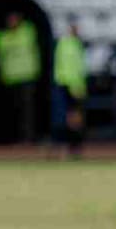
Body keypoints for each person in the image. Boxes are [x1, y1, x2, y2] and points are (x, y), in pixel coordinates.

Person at [0, 10, 41, 143]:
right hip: (10, 79)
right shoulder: (1, 36)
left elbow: (23, 41)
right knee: (13, 111)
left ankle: (28, 138)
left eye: (15, 19)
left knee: (28, 112)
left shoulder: (27, 31)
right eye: (10, 19)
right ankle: (13, 137)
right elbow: (0, 46)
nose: (12, 22)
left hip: (27, 76)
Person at [51, 17, 87, 157]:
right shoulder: (65, 43)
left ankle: (73, 145)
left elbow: (79, 67)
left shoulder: (76, 44)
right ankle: (68, 145)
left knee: (75, 117)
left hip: (74, 84)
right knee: (70, 117)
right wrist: (73, 85)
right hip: (67, 84)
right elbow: (67, 66)